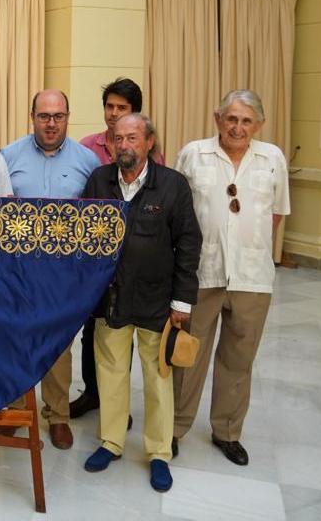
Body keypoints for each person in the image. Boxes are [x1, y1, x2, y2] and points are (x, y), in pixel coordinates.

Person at [81, 113, 201, 493]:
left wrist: (183, 300)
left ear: (150, 142)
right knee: (111, 372)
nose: (125, 145)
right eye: (118, 138)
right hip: (110, 299)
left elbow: (189, 244)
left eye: (133, 138)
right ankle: (111, 442)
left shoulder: (173, 185)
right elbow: (85, 238)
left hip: (157, 300)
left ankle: (159, 453)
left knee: (157, 378)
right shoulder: (99, 180)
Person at [173, 90, 290, 465]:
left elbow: (275, 215)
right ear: (217, 118)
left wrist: (248, 247)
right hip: (201, 273)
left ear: (259, 124)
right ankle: (174, 427)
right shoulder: (194, 154)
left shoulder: (272, 159)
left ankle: (227, 431)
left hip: (252, 278)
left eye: (246, 120)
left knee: (238, 359)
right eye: (231, 118)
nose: (238, 127)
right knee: (187, 355)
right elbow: (179, 215)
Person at [0, 89, 101, 450]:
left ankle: (57, 415)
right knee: (16, 338)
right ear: (32, 117)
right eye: (44, 116)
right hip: (17, 271)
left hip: (63, 274)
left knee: (58, 344)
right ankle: (13, 410)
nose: (51, 123)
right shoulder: (7, 156)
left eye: (58, 116)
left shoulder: (86, 160)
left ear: (68, 117)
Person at [72, 77, 161, 419]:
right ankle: (93, 394)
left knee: (125, 335)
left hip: (136, 258)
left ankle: (117, 404)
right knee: (93, 329)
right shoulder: (86, 147)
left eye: (121, 108)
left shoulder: (151, 149)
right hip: (98, 262)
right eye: (109, 107)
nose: (113, 114)